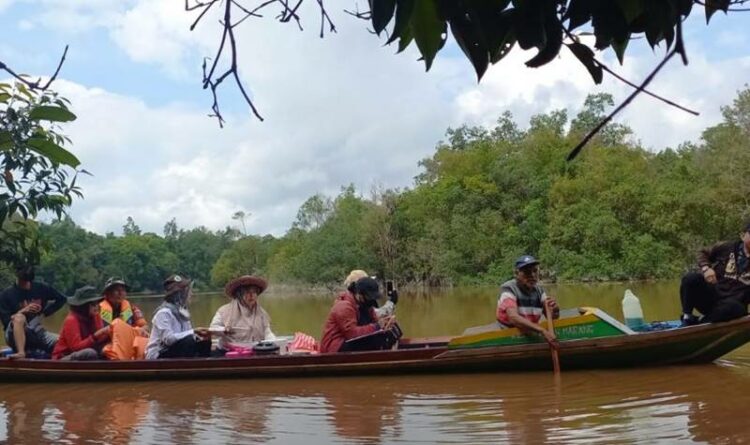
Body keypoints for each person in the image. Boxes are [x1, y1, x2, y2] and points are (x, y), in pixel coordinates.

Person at [679, 223, 750, 325]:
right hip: (713, 296)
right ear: (743, 235)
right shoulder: (726, 247)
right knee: (690, 278)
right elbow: (702, 253)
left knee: (733, 307)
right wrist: (706, 268)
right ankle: (687, 317)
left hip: (734, 306)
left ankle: (701, 322)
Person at [0, 265, 66, 359]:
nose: (26, 284)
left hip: (36, 330)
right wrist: (23, 311)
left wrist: (45, 312)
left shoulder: (41, 288)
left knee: (62, 341)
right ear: (18, 277)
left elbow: (62, 299)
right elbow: (6, 321)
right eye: (24, 281)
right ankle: (21, 352)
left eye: (28, 281)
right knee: (19, 318)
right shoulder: (6, 295)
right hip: (13, 334)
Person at [496, 255, 559, 347]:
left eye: (535, 271)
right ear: (517, 274)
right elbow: (513, 318)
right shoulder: (508, 288)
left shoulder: (539, 291)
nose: (532, 275)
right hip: (509, 332)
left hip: (531, 329)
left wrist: (555, 310)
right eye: (527, 272)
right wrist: (542, 330)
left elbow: (552, 317)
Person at [320, 276, 396, 353]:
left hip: (350, 341)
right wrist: (377, 326)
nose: (371, 300)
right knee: (375, 341)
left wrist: (385, 325)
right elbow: (352, 333)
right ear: (359, 294)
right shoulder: (344, 306)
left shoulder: (366, 305)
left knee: (388, 334)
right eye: (369, 297)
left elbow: (374, 322)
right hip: (335, 347)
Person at [145, 274, 211, 359]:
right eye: (188, 292)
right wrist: (193, 331)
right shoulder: (163, 313)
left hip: (174, 350)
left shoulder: (182, 313)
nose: (191, 294)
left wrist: (202, 335)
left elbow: (187, 334)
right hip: (158, 354)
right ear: (180, 294)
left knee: (204, 342)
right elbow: (169, 340)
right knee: (188, 341)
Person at [210, 275, 275, 352]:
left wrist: (274, 342)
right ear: (239, 294)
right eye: (247, 292)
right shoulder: (224, 311)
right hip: (228, 352)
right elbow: (212, 329)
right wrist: (224, 330)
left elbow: (267, 333)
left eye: (254, 292)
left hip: (254, 351)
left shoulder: (262, 313)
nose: (251, 295)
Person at [52, 285, 110, 360]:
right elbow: (75, 348)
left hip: (84, 352)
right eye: (93, 304)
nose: (96, 307)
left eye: (97, 303)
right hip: (64, 356)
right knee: (90, 353)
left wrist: (108, 334)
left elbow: (100, 340)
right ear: (84, 306)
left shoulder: (96, 316)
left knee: (108, 347)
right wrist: (95, 336)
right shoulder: (71, 320)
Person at [99, 277, 149, 360]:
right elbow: (98, 335)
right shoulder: (98, 309)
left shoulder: (131, 308)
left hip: (127, 343)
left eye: (123, 290)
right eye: (116, 290)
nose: (120, 293)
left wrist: (134, 331)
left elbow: (145, 327)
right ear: (107, 293)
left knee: (144, 343)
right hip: (107, 343)